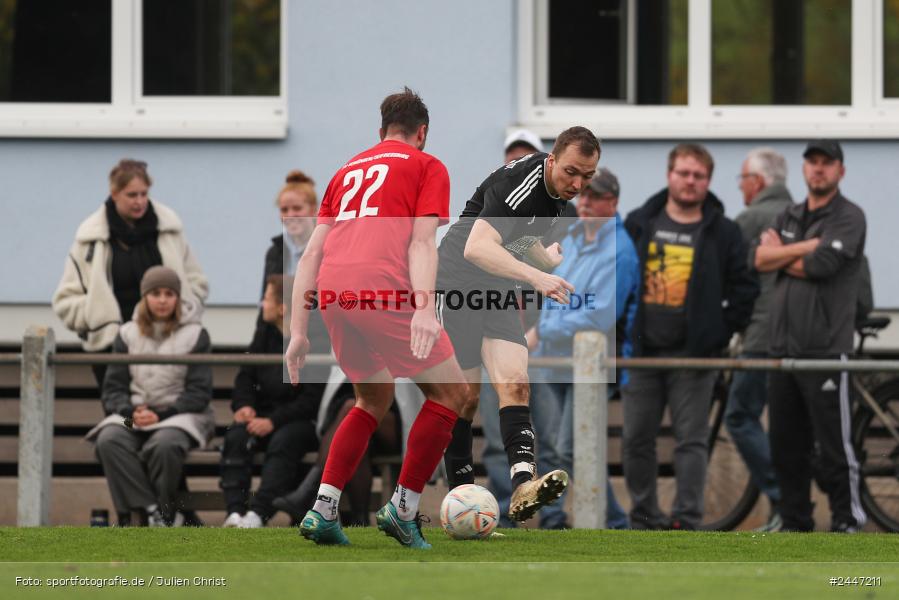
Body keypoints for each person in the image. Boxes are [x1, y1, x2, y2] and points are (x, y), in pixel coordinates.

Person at [284, 87, 469, 549]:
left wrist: (297, 332)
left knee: (372, 398)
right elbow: (422, 243)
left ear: (380, 131)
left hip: (332, 294)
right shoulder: (429, 165)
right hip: (379, 288)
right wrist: (424, 308)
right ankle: (403, 509)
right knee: (453, 393)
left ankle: (323, 510)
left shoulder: (346, 170)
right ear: (422, 133)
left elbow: (310, 253)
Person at [437, 126, 602, 522]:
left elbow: (519, 237)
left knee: (516, 382)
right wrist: (537, 278)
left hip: (495, 284)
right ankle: (460, 496)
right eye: (571, 172)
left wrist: (547, 260)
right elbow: (478, 246)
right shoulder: (523, 184)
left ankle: (523, 485)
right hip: (457, 282)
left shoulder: (557, 194)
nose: (578, 184)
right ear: (552, 160)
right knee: (464, 398)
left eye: (587, 177)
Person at [622, 143, 758, 530]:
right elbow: (620, 281)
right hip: (642, 355)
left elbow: (746, 288)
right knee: (636, 440)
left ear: (708, 182)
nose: (690, 181)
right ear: (669, 175)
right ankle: (644, 517)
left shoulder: (723, 231)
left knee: (692, 442)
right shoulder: (639, 222)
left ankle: (687, 518)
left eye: (698, 175)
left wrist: (719, 329)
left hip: (695, 357)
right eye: (683, 173)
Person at [754, 139, 867, 532]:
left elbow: (822, 265)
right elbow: (760, 259)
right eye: (812, 163)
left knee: (835, 448)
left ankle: (846, 520)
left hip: (825, 351)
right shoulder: (789, 212)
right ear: (804, 169)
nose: (818, 169)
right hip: (782, 349)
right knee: (786, 448)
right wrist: (801, 248)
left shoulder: (849, 216)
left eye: (827, 163)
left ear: (840, 171)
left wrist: (782, 255)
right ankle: (796, 523)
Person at [529, 167, 640, 529]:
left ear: (614, 202)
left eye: (596, 197)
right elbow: (554, 289)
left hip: (592, 364)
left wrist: (544, 328)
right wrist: (546, 323)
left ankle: (616, 522)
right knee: (549, 447)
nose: (587, 203)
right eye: (585, 196)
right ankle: (553, 521)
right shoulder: (573, 237)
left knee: (570, 449)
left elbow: (601, 315)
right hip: (553, 360)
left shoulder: (621, 250)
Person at [53, 159, 208, 386]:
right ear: (114, 194)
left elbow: (196, 282)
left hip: (169, 341)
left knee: (160, 413)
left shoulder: (169, 231)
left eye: (144, 194)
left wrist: (186, 311)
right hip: (111, 348)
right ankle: (124, 424)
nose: (140, 202)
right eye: (132, 195)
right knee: (122, 417)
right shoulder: (90, 238)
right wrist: (94, 318)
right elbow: (65, 300)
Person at [85, 266, 215, 526]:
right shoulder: (126, 334)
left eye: (169, 293)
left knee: (164, 445)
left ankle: (165, 512)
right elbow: (113, 388)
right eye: (156, 293)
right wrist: (131, 413)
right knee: (109, 439)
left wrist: (163, 414)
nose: (163, 299)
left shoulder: (196, 334)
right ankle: (152, 508)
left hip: (178, 418)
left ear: (178, 297)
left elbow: (199, 391)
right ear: (145, 297)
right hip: (134, 417)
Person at [220, 275, 325, 528]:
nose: (261, 303)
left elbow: (312, 400)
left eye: (266, 298)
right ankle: (234, 513)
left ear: (282, 308)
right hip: (260, 418)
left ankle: (258, 513)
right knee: (236, 436)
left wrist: (273, 421)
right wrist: (244, 406)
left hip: (298, 423)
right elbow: (245, 377)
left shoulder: (315, 340)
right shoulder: (263, 335)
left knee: (284, 440)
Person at [727, 148, 794, 532]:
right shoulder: (803, 215)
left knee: (739, 414)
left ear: (759, 182)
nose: (741, 188)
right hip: (797, 335)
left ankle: (782, 497)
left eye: (743, 179)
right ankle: (785, 508)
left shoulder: (750, 219)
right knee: (786, 424)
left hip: (760, 335)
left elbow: (733, 279)